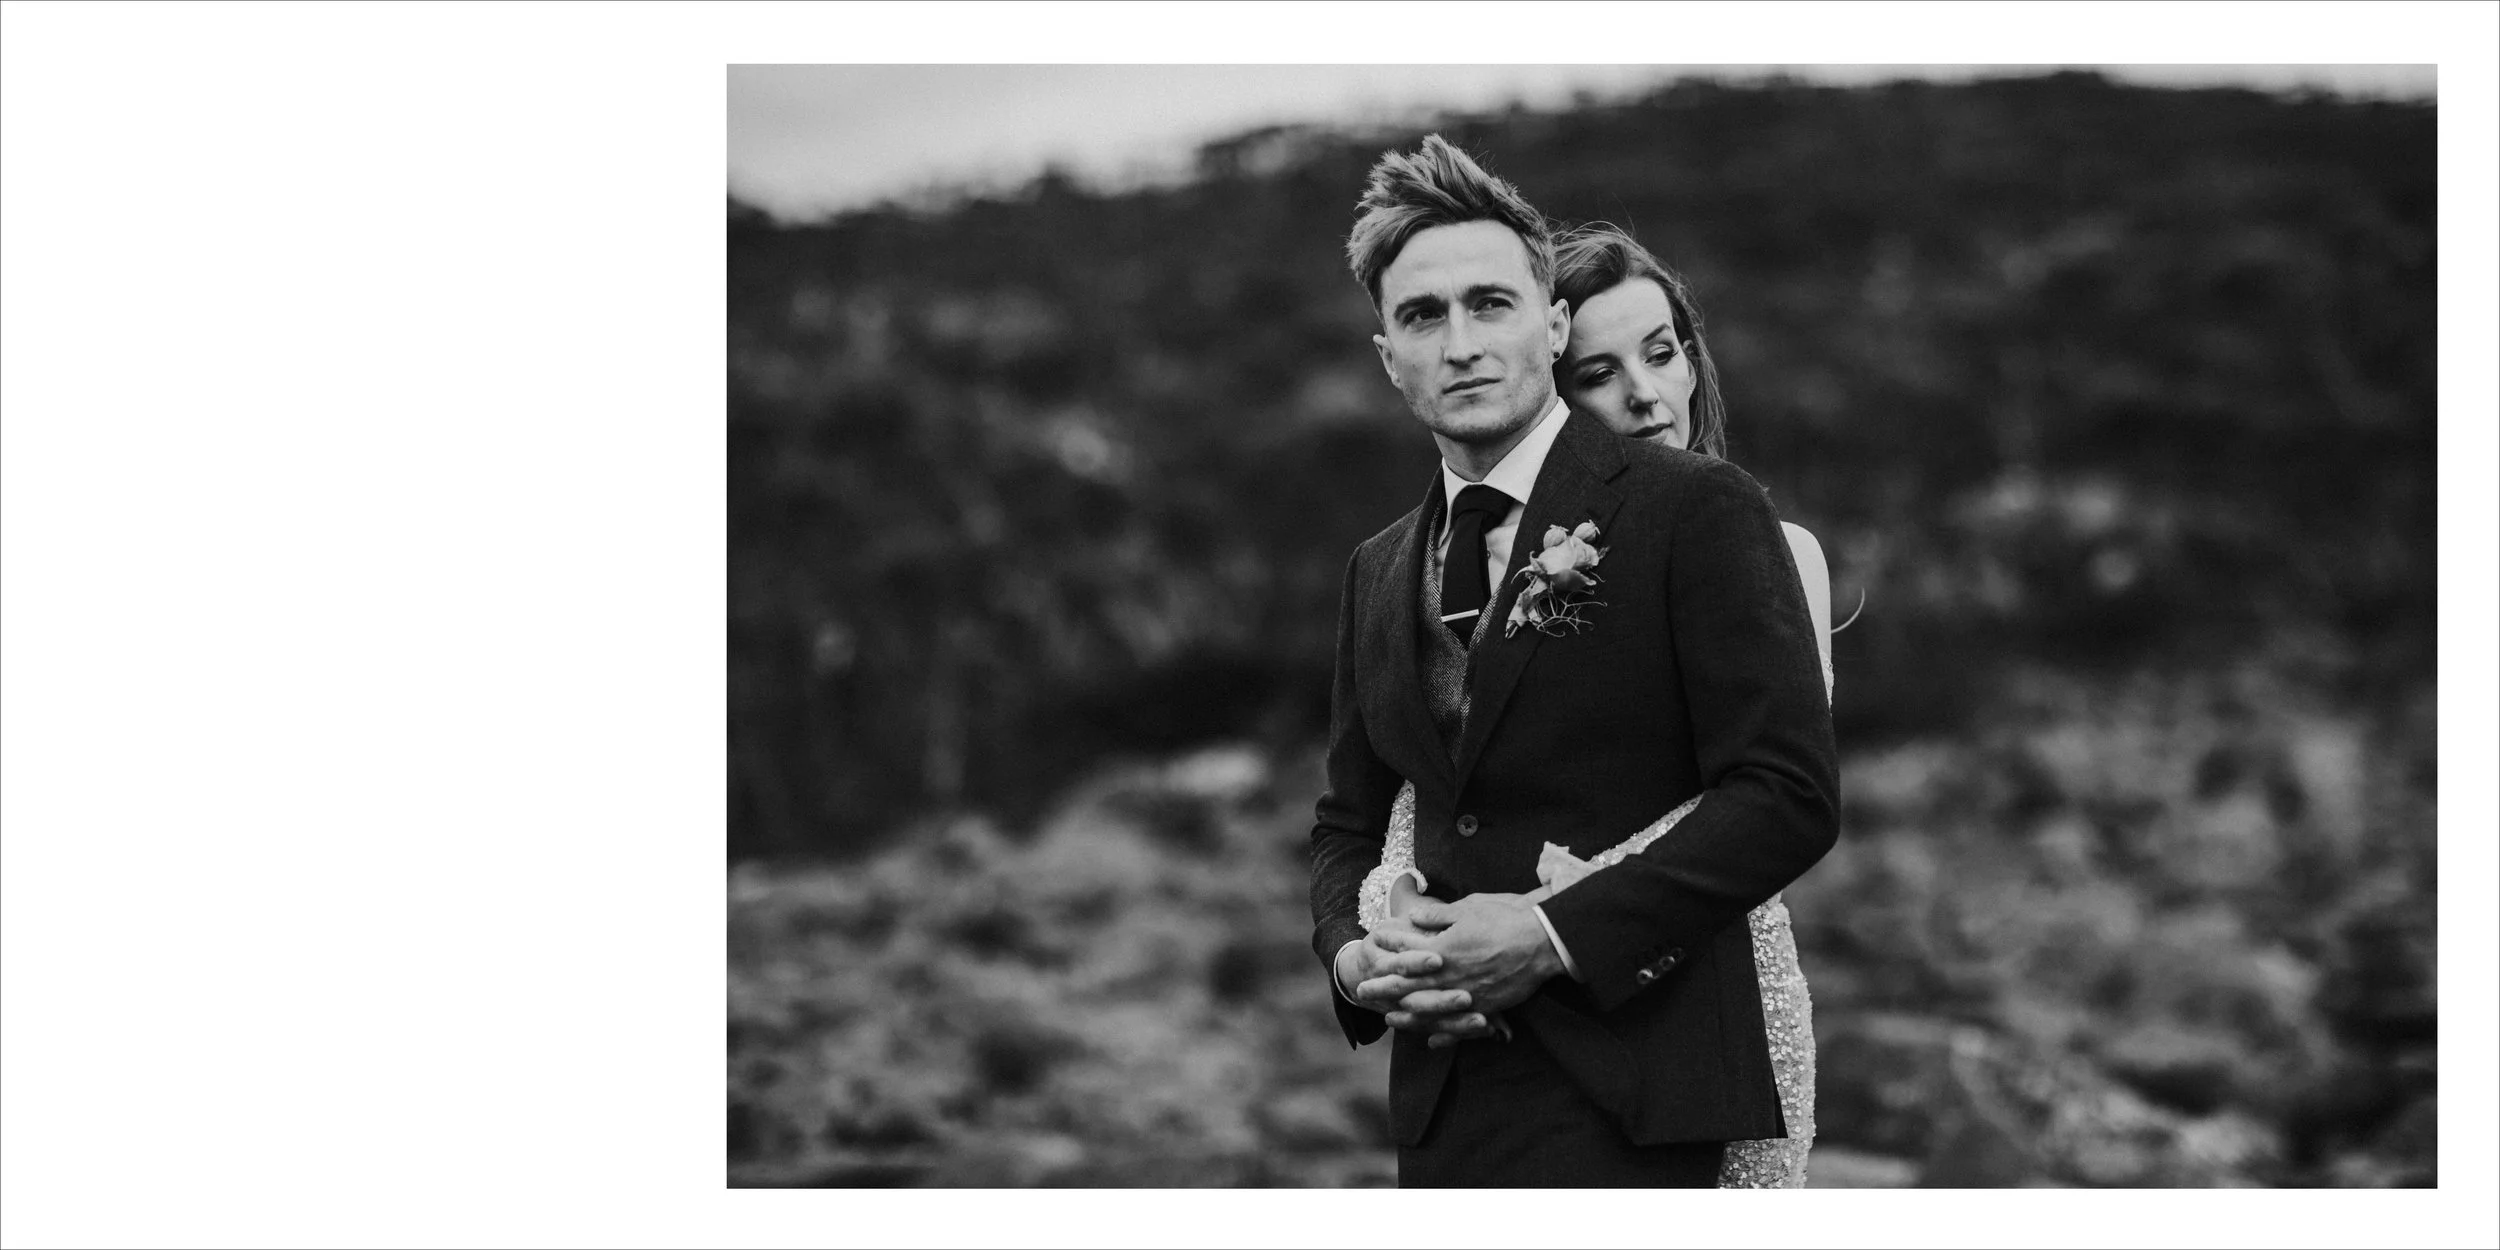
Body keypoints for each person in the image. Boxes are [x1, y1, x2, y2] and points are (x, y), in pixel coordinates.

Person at [1307, 135, 1839, 1188]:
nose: (1459, 343)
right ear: (1385, 355)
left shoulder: (1696, 508)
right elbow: (1345, 822)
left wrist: (1551, 932)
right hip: (1447, 1102)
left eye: (1490, 303)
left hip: (1653, 1086)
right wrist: (1355, 957)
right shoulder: (1375, 570)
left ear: (1550, 326)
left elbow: (1784, 793)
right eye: (1422, 315)